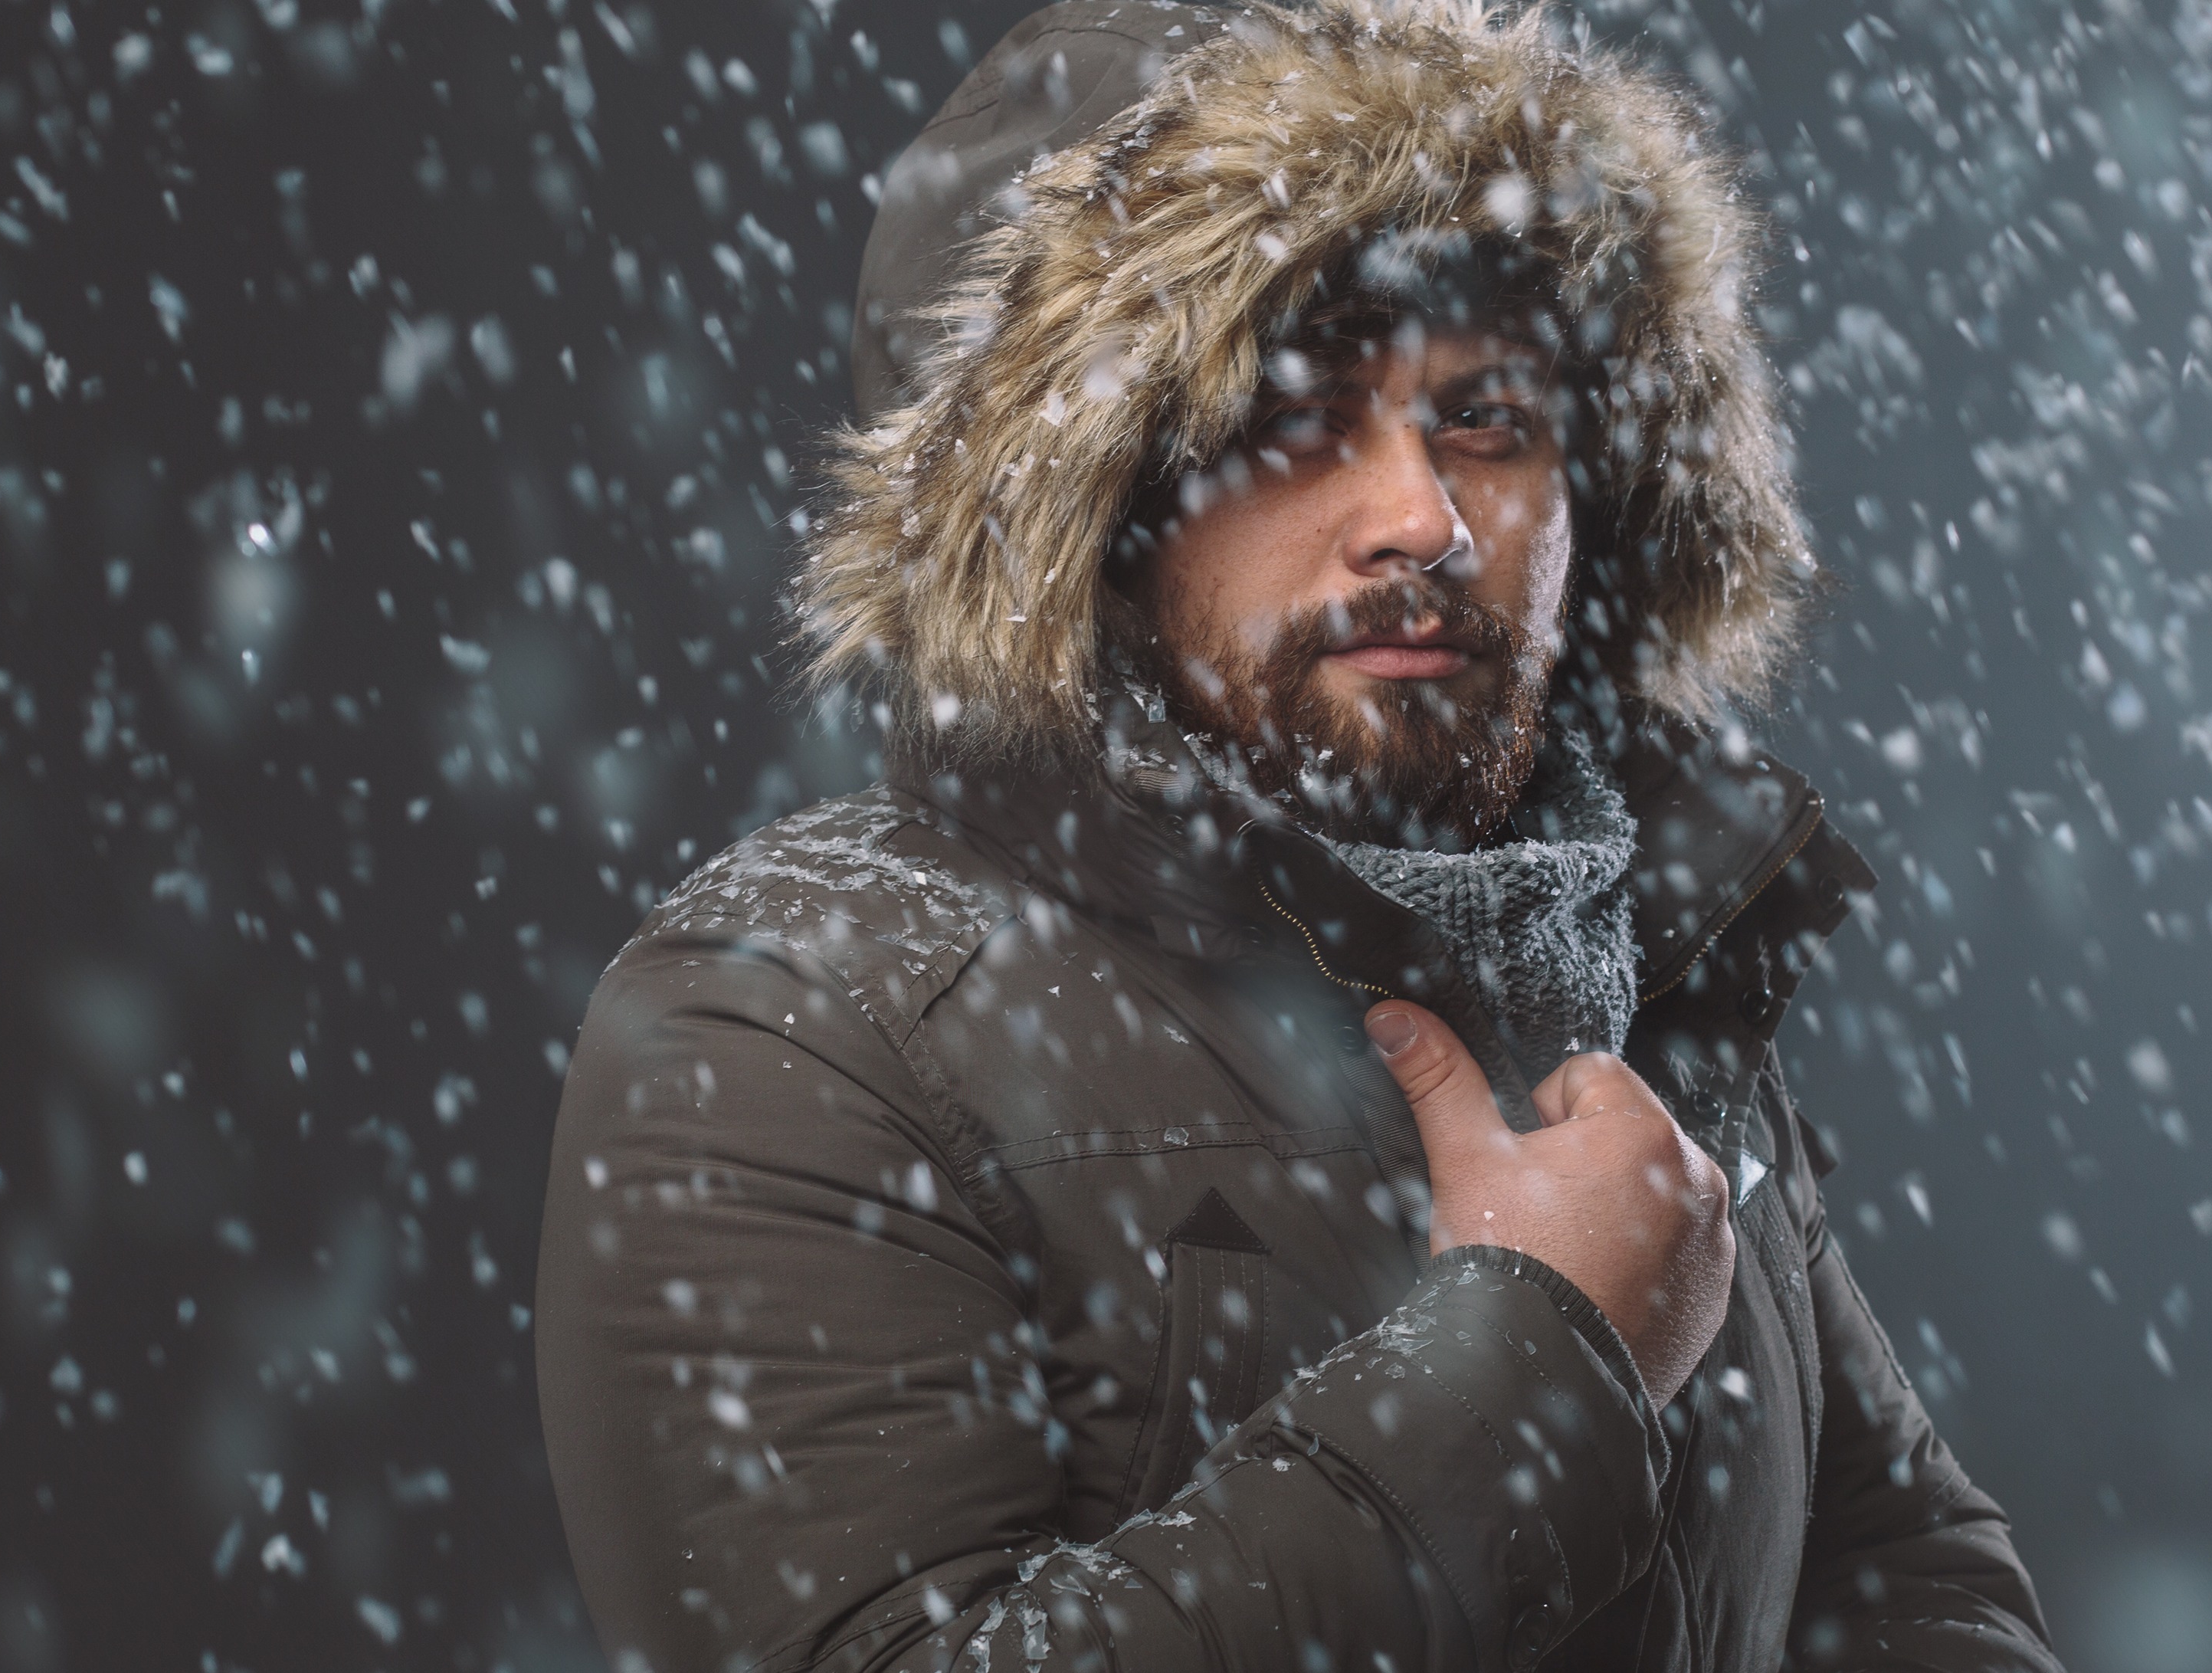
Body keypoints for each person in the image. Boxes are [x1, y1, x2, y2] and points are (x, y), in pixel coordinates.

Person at [535, 2, 2062, 1668]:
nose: (1424, 517)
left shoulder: (1624, 955)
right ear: (1093, 508)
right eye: (1290, 420)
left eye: (1488, 420)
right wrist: (1533, 1364)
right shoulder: (789, 1022)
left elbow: (1916, 1580)